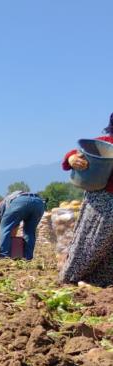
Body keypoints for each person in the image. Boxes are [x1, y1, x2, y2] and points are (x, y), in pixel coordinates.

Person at [59, 113, 113, 286]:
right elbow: (76, 153)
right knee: (91, 242)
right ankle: (72, 279)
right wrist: (71, 159)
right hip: (101, 201)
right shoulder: (106, 143)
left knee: (108, 248)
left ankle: (101, 282)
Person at [0, 189, 45, 259]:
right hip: (39, 202)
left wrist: (0, 237)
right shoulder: (11, 213)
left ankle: (4, 256)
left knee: (5, 227)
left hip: (21, 200)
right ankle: (28, 257)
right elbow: (12, 235)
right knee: (29, 232)